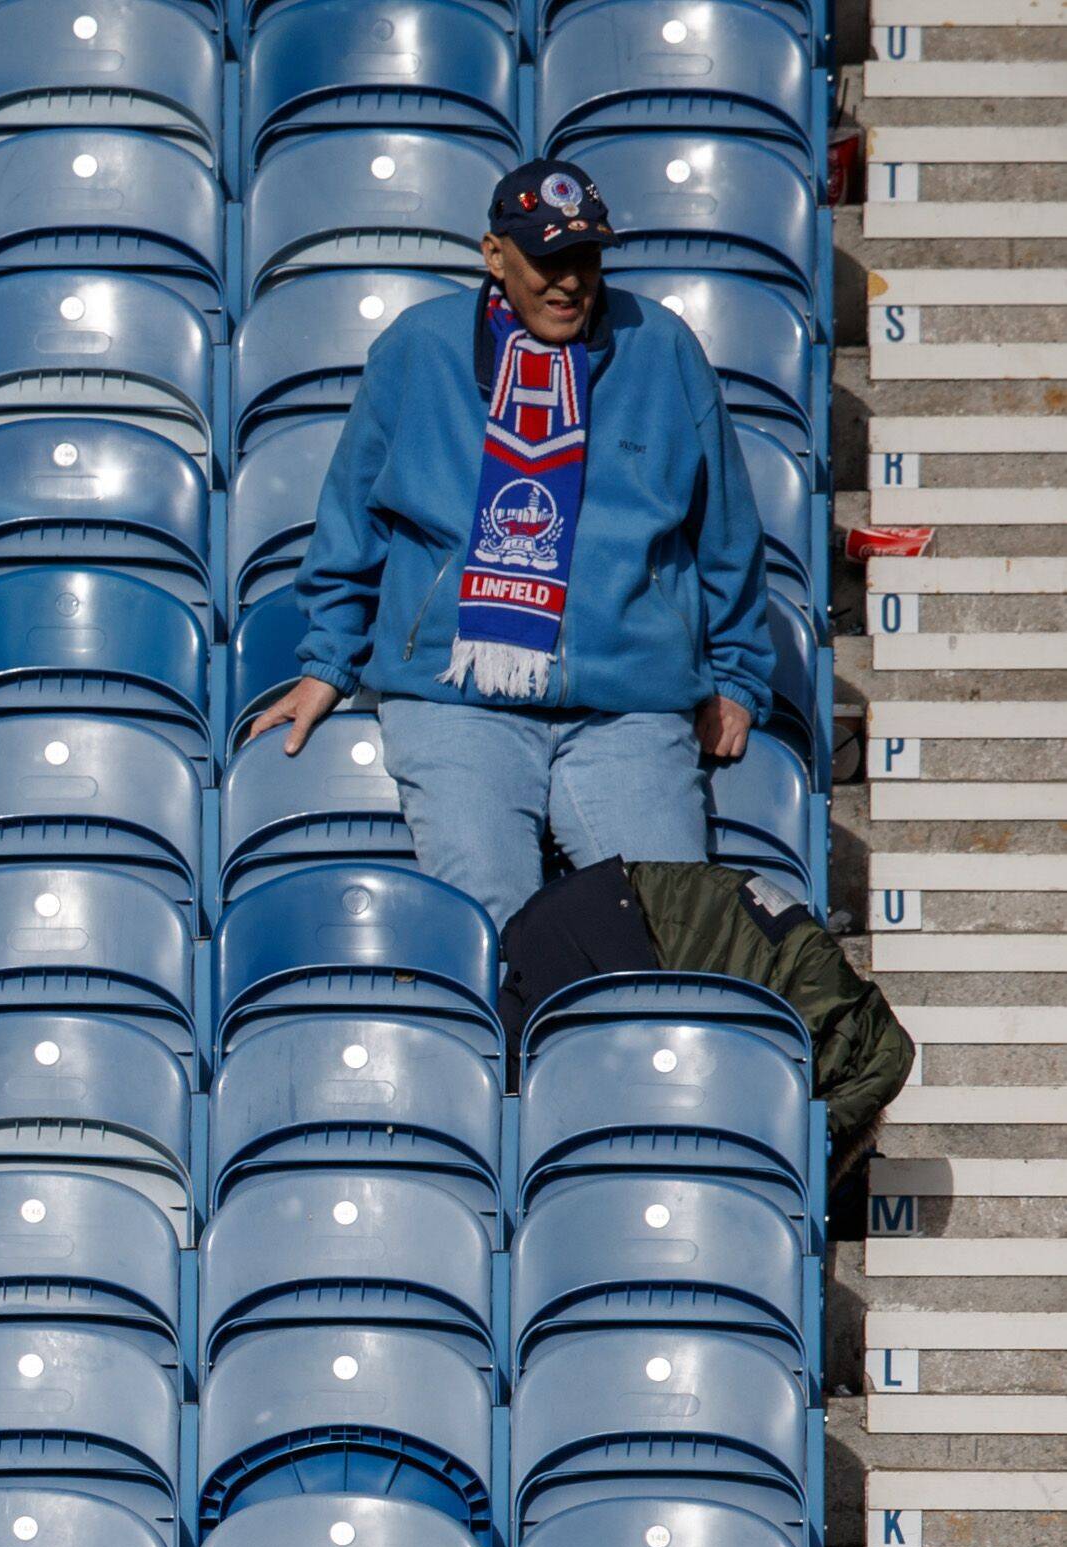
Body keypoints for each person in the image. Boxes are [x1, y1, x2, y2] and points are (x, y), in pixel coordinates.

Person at [257, 156, 774, 931]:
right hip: (456, 698)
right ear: (494, 255)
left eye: (585, 258)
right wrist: (329, 660)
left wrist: (736, 674)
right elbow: (353, 521)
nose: (569, 282)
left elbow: (724, 526)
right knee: (490, 928)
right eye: (547, 260)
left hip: (628, 702)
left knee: (666, 934)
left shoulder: (661, 347)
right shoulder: (418, 349)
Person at [498, 854, 914, 1182]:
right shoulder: (826, 1043)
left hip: (592, 911)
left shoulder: (838, 1015)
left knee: (535, 1123)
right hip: (608, 927)